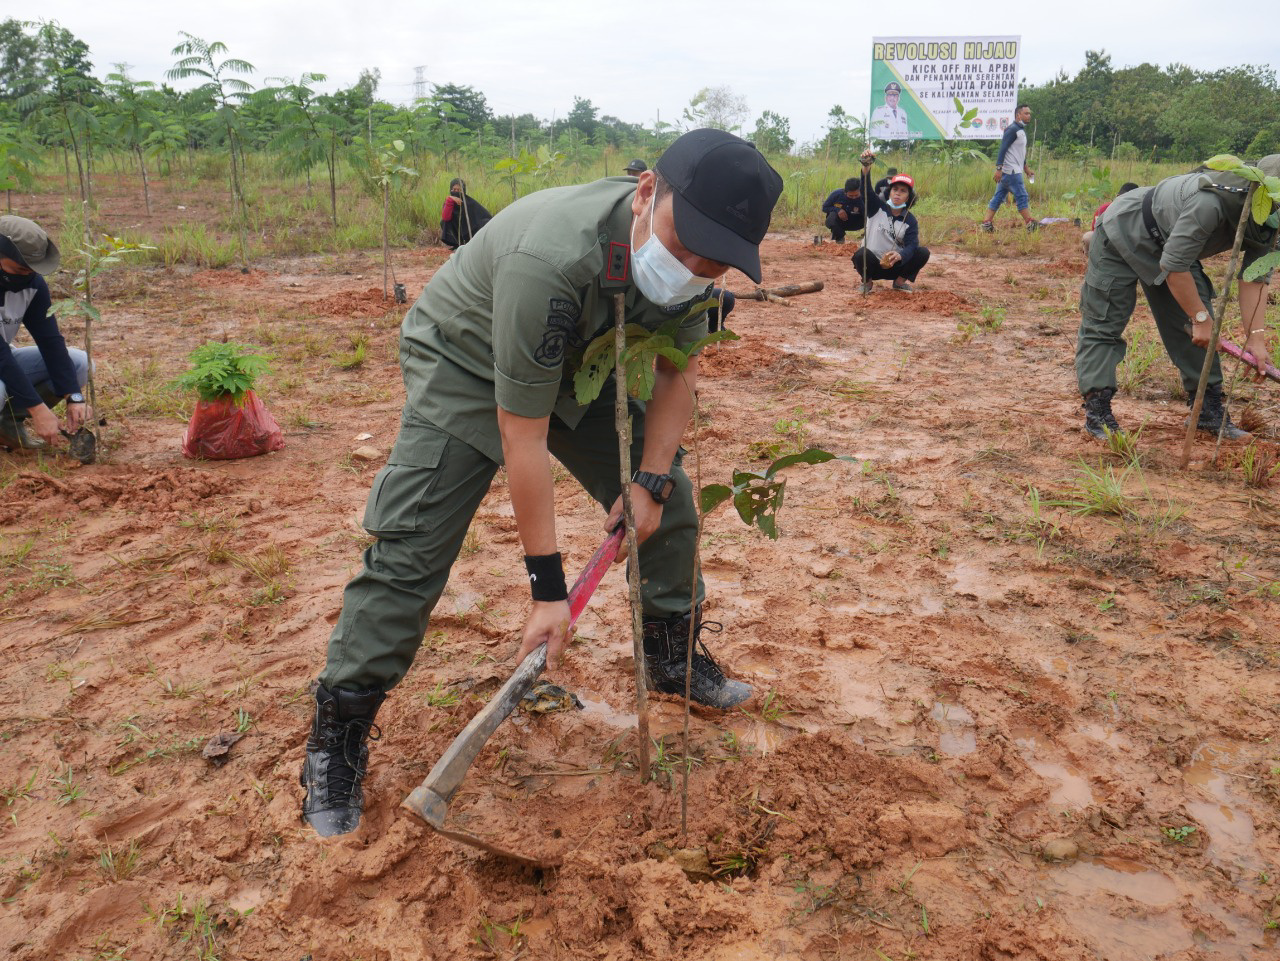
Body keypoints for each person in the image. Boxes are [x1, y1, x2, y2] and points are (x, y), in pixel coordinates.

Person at [300, 129, 783, 837]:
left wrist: (648, 479)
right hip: (467, 359)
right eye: (686, 243)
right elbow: (521, 434)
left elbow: (681, 374)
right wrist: (548, 591)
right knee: (412, 545)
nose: (691, 266)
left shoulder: (698, 276)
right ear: (647, 191)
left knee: (670, 505)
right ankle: (337, 733)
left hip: (583, 365)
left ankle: (671, 658)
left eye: (714, 260)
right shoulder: (552, 257)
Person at [1075, 156, 1280, 441]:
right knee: (1105, 321)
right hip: (1127, 229)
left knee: (1199, 327)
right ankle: (1098, 413)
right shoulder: (1212, 202)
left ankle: (1207, 411)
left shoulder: (1270, 217)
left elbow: (1254, 277)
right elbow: (1174, 266)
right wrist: (1200, 317)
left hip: (1176, 247)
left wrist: (1255, 337)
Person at [0, 215, 91, 452]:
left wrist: (74, 395)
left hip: (3, 359)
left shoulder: (33, 285)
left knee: (78, 364)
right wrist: (38, 409)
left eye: (32, 270)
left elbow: (49, 340)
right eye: (20, 268)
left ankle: (7, 425)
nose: (27, 275)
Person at [850, 151, 929, 294]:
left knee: (922, 252)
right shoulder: (876, 207)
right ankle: (867, 283)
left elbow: (912, 244)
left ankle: (899, 282)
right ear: (889, 192)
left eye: (903, 191)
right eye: (895, 189)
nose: (898, 193)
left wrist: (901, 256)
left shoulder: (910, 220)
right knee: (861, 253)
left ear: (908, 197)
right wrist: (866, 167)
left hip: (895, 265)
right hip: (872, 265)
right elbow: (865, 189)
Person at [980, 104, 1037, 233]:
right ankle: (1030, 223)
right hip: (1011, 172)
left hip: (1013, 170)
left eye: (1029, 113)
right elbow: (1003, 149)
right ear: (1018, 115)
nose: (1029, 115)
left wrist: (1026, 169)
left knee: (998, 197)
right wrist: (998, 169)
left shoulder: (1020, 130)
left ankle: (986, 223)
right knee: (1022, 196)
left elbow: (1019, 153)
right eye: (1026, 113)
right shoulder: (1012, 129)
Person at [1081, 182, 1139, 255]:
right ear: (1117, 196)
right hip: (1105, 242)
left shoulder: (1137, 212)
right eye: (1125, 200)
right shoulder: (1103, 209)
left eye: (1131, 201)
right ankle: (1092, 259)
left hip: (1126, 246)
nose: (1126, 204)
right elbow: (1096, 232)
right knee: (1088, 237)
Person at [439, 178, 493, 250]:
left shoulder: (469, 202)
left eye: (459, 190)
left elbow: (484, 216)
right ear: (450, 190)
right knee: (444, 222)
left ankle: (474, 244)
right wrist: (450, 199)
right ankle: (457, 244)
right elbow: (446, 218)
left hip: (471, 231)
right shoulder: (449, 202)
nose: (456, 192)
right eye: (454, 190)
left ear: (463, 191)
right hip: (458, 231)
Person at [821, 177, 867, 243]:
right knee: (831, 218)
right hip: (843, 221)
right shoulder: (836, 194)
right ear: (845, 192)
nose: (854, 198)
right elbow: (824, 208)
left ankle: (868, 237)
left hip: (859, 222)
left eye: (856, 195)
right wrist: (837, 210)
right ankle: (839, 238)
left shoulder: (867, 197)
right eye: (851, 196)